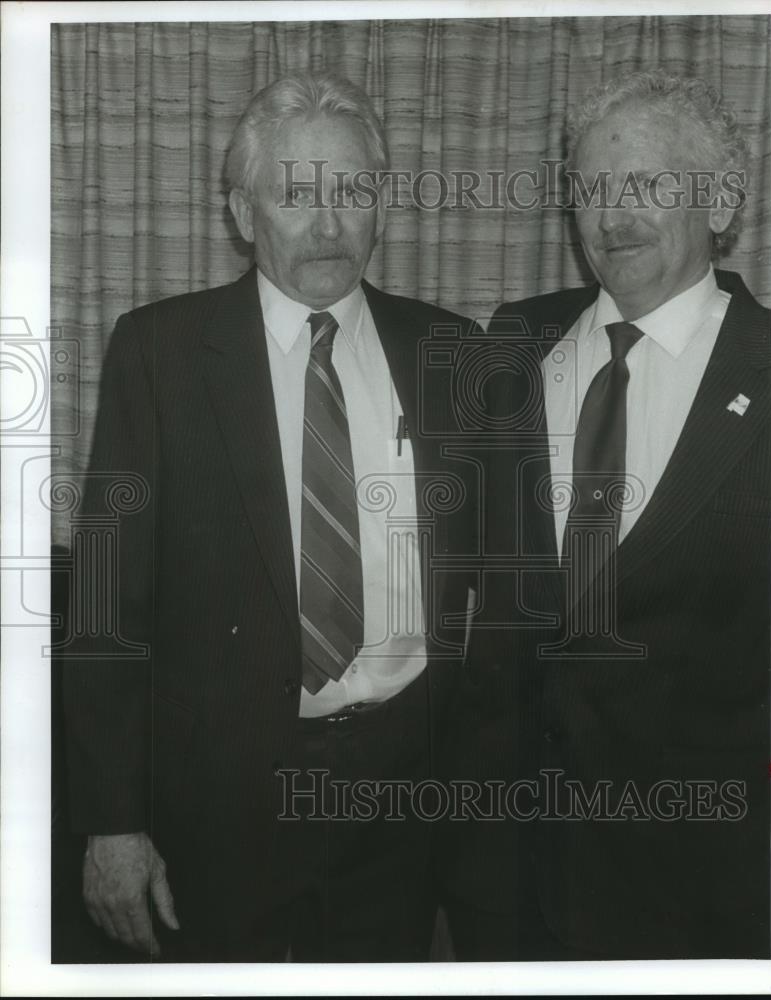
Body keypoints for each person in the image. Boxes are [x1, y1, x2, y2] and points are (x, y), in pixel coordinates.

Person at [62, 70, 478, 963]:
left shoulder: (450, 350)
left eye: (352, 192)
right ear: (244, 215)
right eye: (296, 194)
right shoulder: (162, 351)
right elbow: (103, 606)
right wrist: (110, 825)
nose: (328, 225)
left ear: (381, 205)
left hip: (403, 793)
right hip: (219, 796)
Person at [442, 70, 770, 960]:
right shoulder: (507, 346)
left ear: (723, 200)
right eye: (590, 190)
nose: (610, 218)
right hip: (505, 885)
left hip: (707, 895)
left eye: (646, 186)